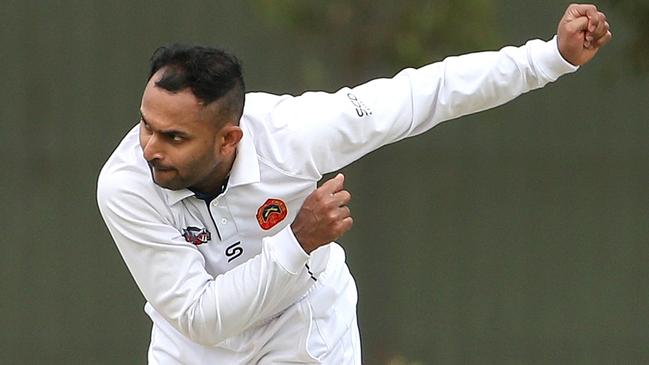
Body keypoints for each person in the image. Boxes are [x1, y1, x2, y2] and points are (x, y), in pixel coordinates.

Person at [97, 4, 611, 364]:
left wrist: (548, 58)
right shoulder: (125, 185)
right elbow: (201, 318)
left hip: (300, 328)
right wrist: (298, 240)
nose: (149, 148)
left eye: (174, 136)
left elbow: (423, 95)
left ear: (230, 137)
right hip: (195, 349)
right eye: (145, 123)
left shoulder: (295, 133)